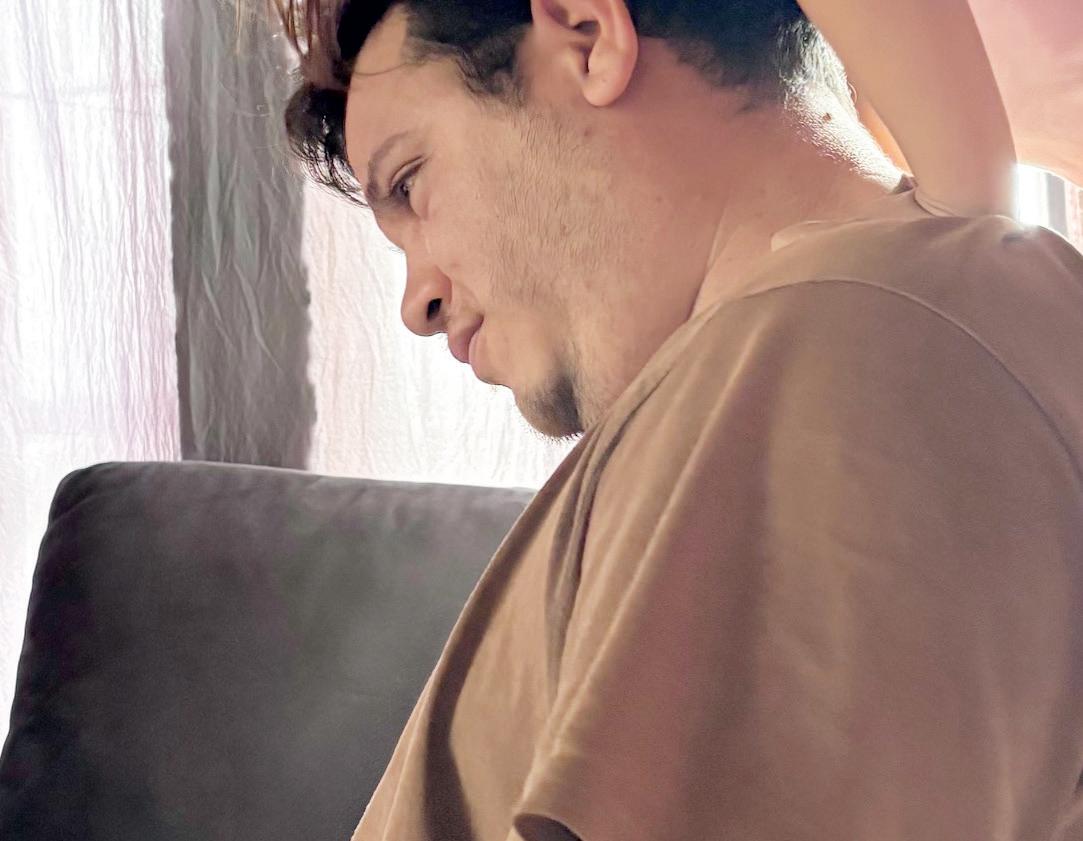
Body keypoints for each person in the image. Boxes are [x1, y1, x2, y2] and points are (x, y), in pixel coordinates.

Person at [272, 1, 1083, 839]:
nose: (416, 303)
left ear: (587, 37)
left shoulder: (850, 332)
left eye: (410, 181)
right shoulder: (809, 357)